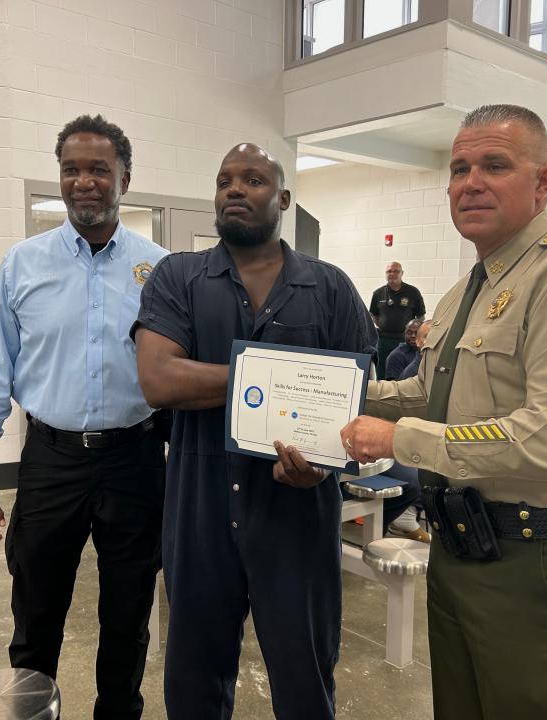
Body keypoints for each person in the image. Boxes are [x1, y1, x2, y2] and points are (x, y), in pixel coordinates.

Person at [340, 104, 547, 720]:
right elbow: (432, 394)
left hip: (538, 561)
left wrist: (398, 439)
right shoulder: (468, 289)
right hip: (462, 546)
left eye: (494, 165)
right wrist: (331, 388)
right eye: (458, 169)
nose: (470, 181)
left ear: (543, 182)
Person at [132, 143, 377, 720]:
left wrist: (322, 462)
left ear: (284, 199)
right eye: (224, 181)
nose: (235, 189)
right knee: (194, 681)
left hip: (298, 514)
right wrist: (280, 380)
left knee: (305, 680)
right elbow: (159, 379)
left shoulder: (331, 288)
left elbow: (356, 400)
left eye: (253, 180)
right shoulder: (179, 277)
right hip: (199, 512)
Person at [0, 114, 168, 720]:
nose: (84, 182)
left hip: (134, 458)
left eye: (99, 169)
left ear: (124, 179)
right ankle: (31, 709)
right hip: (50, 461)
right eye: (71, 169)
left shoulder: (160, 270)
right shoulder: (22, 264)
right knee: (36, 610)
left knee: (128, 614)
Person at [369, 261, 425, 378]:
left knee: (404, 373)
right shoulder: (378, 293)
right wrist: (384, 325)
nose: (392, 274)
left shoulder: (413, 292)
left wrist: (413, 333)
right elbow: (374, 315)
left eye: (396, 271)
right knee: (382, 372)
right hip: (383, 340)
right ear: (385, 274)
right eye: (389, 271)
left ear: (402, 273)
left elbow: (420, 317)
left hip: (405, 341)